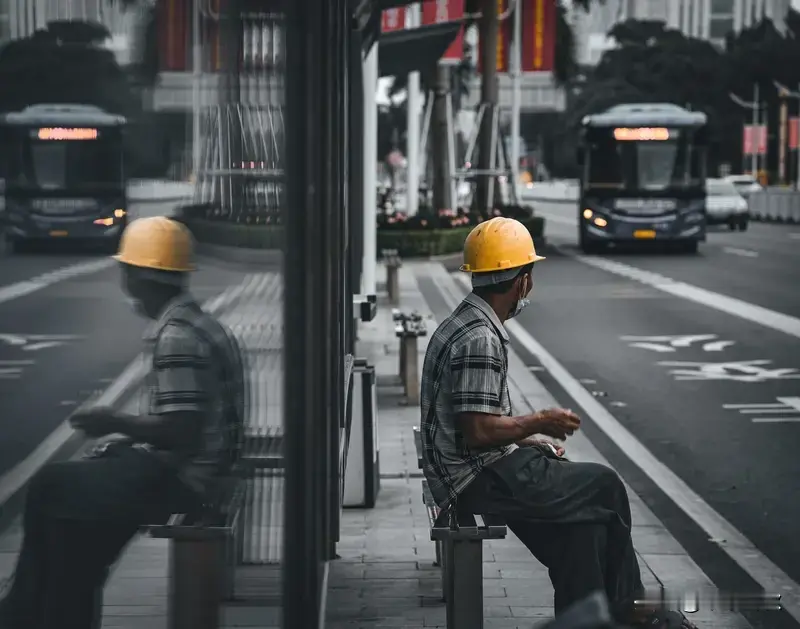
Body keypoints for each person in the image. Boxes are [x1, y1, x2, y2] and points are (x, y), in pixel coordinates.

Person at [419, 217, 696, 629]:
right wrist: (537, 422)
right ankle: (631, 612)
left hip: (475, 467)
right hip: (475, 478)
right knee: (605, 486)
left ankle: (588, 621)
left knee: (582, 532)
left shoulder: (466, 321)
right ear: (522, 282)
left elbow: (478, 425)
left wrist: (524, 442)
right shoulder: (481, 338)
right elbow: (476, 431)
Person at [0, 216, 245, 629]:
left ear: (139, 276)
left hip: (190, 482)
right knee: (75, 539)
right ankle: (40, 611)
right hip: (204, 469)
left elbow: (181, 433)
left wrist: (113, 422)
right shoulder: (198, 323)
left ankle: (21, 611)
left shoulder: (176, 338)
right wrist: (129, 444)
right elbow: (184, 424)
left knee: (50, 488)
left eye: (126, 270)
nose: (123, 279)